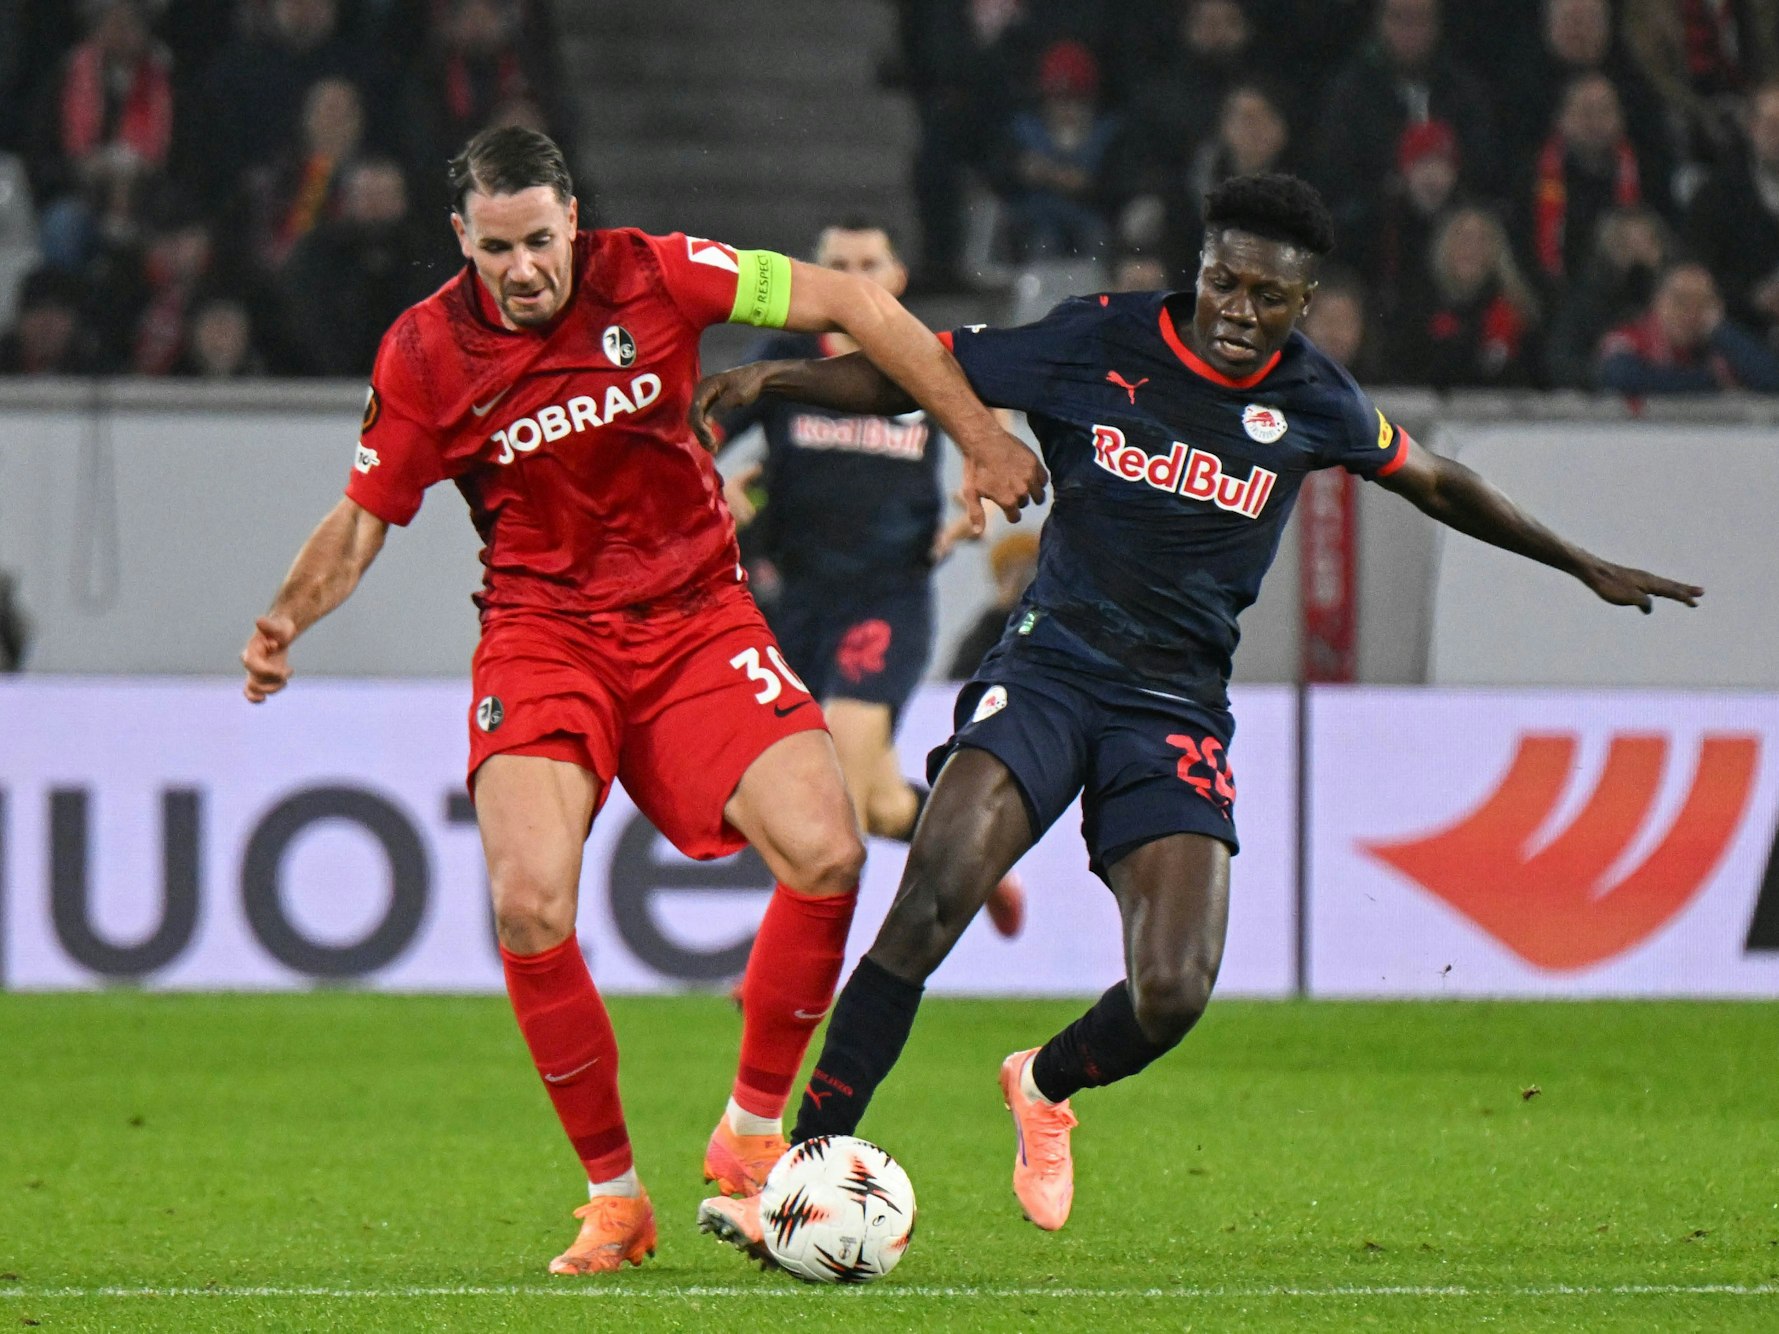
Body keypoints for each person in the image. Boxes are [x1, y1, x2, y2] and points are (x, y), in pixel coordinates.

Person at [689, 172, 1701, 1252]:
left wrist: (1580, 561)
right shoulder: (1098, 342)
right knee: (931, 895)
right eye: (1224, 281)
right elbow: (925, 372)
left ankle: (1043, 1080)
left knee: (1171, 990)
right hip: (1049, 668)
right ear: (1200, 267)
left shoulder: (1316, 397)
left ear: (1302, 304)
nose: (1239, 311)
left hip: (1173, 704)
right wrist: (776, 383)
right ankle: (791, 1177)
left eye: (1269, 297)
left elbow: (1438, 481)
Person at [239, 126, 1045, 1277]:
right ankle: (615, 1199)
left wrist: (975, 430)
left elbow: (857, 310)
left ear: (574, 220)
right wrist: (284, 619)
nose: (524, 269)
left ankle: (752, 1134)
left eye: (541, 241)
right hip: (542, 636)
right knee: (528, 902)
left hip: (696, 618)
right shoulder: (423, 351)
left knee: (826, 848)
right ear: (460, 240)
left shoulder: (665, 270)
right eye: (497, 247)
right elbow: (368, 511)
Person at [712, 219, 1026, 937]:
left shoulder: (915, 353)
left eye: (868, 263)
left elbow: (989, 412)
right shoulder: (783, 358)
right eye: (837, 264)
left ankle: (787, 956)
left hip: (888, 592)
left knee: (846, 756)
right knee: (877, 803)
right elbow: (706, 433)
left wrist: (977, 469)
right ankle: (977, 865)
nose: (854, 276)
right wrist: (712, 479)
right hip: (792, 596)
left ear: (896, 277)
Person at [1595, 259, 1779, 394]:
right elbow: (1622, 378)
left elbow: (1772, 379)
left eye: (1702, 302)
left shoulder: (1725, 347)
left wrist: (1721, 331)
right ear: (1658, 302)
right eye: (1681, 301)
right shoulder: (1630, 337)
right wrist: (1712, 381)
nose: (1691, 312)